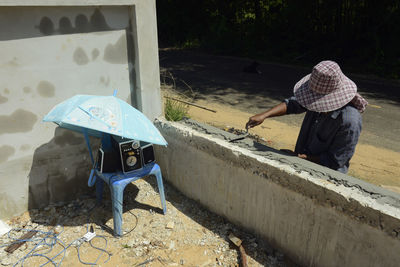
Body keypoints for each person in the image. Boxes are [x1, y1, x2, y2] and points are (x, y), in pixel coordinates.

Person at [245, 60, 368, 174]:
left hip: (326, 176)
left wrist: (299, 157)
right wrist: (264, 115)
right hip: (302, 162)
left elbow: (335, 161)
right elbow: (293, 104)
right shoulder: (314, 101)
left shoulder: (349, 121)